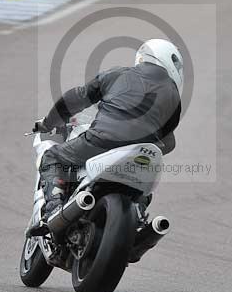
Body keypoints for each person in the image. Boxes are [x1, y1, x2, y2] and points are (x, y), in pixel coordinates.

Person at [33, 39, 183, 219]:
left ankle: (54, 207)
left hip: (102, 140)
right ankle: (139, 217)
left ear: (144, 56)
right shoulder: (173, 94)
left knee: (51, 156)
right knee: (145, 189)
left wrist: (48, 123)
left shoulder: (117, 74)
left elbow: (75, 98)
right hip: (141, 155)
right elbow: (168, 141)